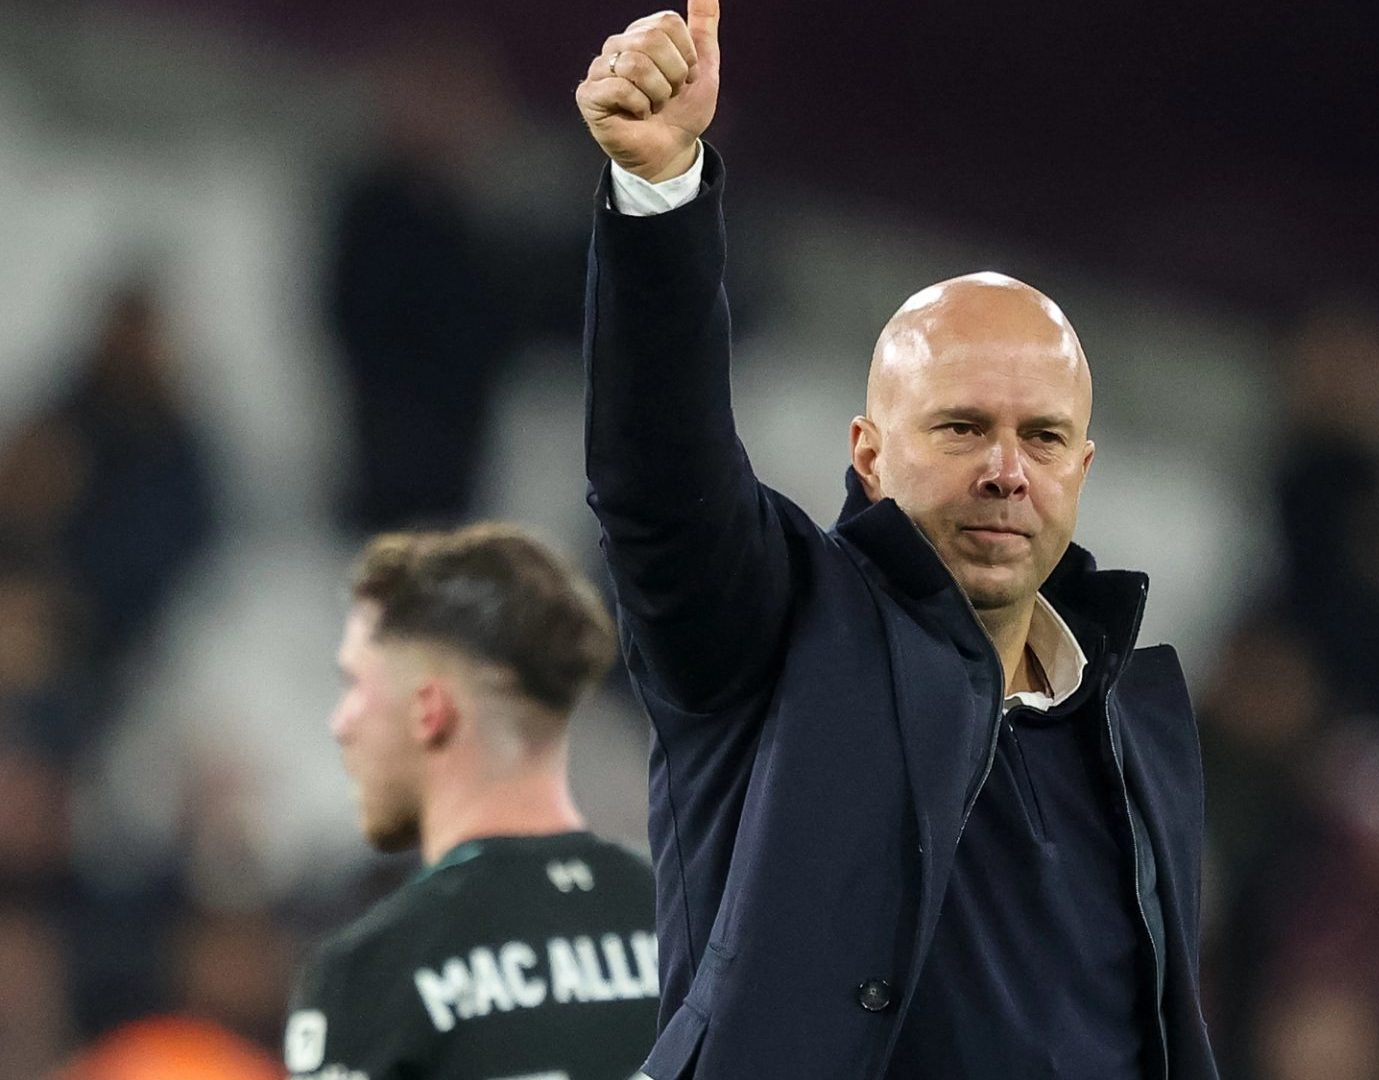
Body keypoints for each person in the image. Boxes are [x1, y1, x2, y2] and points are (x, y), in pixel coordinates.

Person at [574, 5, 1217, 1077]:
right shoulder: (775, 632)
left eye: (1042, 437)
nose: (1006, 468)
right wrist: (660, 192)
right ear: (869, 454)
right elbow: (657, 479)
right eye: (963, 427)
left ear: (1082, 472)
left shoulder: (1137, 729)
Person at [285, 524, 659, 1079]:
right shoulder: (693, 928)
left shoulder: (374, 972)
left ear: (428, 711)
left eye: (353, 684)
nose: (340, 724)